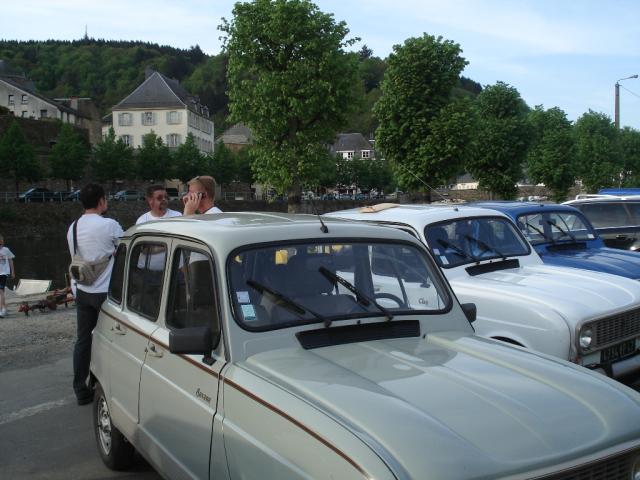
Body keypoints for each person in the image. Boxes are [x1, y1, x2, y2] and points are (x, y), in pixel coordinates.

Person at [66, 184, 123, 405]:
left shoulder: (72, 228)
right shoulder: (109, 225)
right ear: (101, 201)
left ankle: (81, 389)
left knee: (83, 340)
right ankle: (112, 386)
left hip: (82, 291)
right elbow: (126, 248)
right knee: (113, 340)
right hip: (105, 293)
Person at [0, 234, 15, 318]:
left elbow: (11, 261)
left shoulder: (6, 250)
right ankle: (4, 309)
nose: (2, 241)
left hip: (4, 273)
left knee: (1, 291)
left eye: (2, 240)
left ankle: (1, 310)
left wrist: (13, 272)